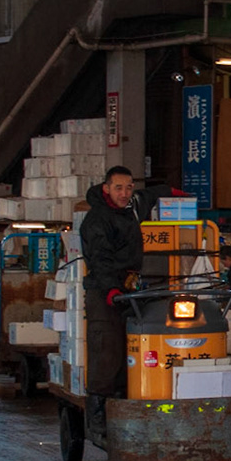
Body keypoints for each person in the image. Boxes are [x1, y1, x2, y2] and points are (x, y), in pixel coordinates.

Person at [81, 166, 143, 421]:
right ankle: (97, 416)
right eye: (118, 188)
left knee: (127, 351)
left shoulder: (128, 212)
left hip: (126, 291)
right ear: (106, 188)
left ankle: (121, 409)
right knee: (106, 351)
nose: (124, 193)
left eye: (129, 188)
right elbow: (100, 258)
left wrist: (173, 192)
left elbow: (151, 195)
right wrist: (110, 289)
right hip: (103, 292)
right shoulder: (97, 218)